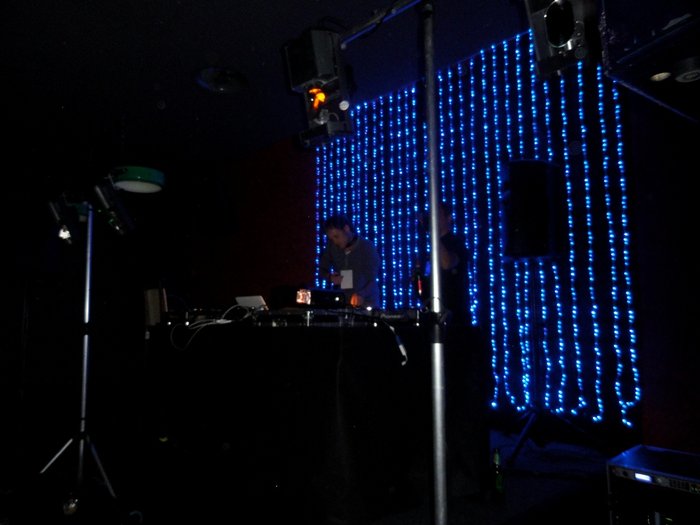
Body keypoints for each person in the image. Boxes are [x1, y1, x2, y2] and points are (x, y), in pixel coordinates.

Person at [416, 201, 471, 325]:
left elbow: (447, 263)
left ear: (448, 217)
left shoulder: (456, 243)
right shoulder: (428, 248)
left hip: (454, 317)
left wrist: (432, 233)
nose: (433, 219)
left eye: (437, 214)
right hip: (432, 315)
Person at [319, 214, 381, 308]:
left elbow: (372, 279)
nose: (335, 242)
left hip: (366, 304)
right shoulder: (332, 247)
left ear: (346, 229)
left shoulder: (366, 247)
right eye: (331, 239)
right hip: (343, 303)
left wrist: (361, 294)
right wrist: (330, 277)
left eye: (336, 236)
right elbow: (322, 269)